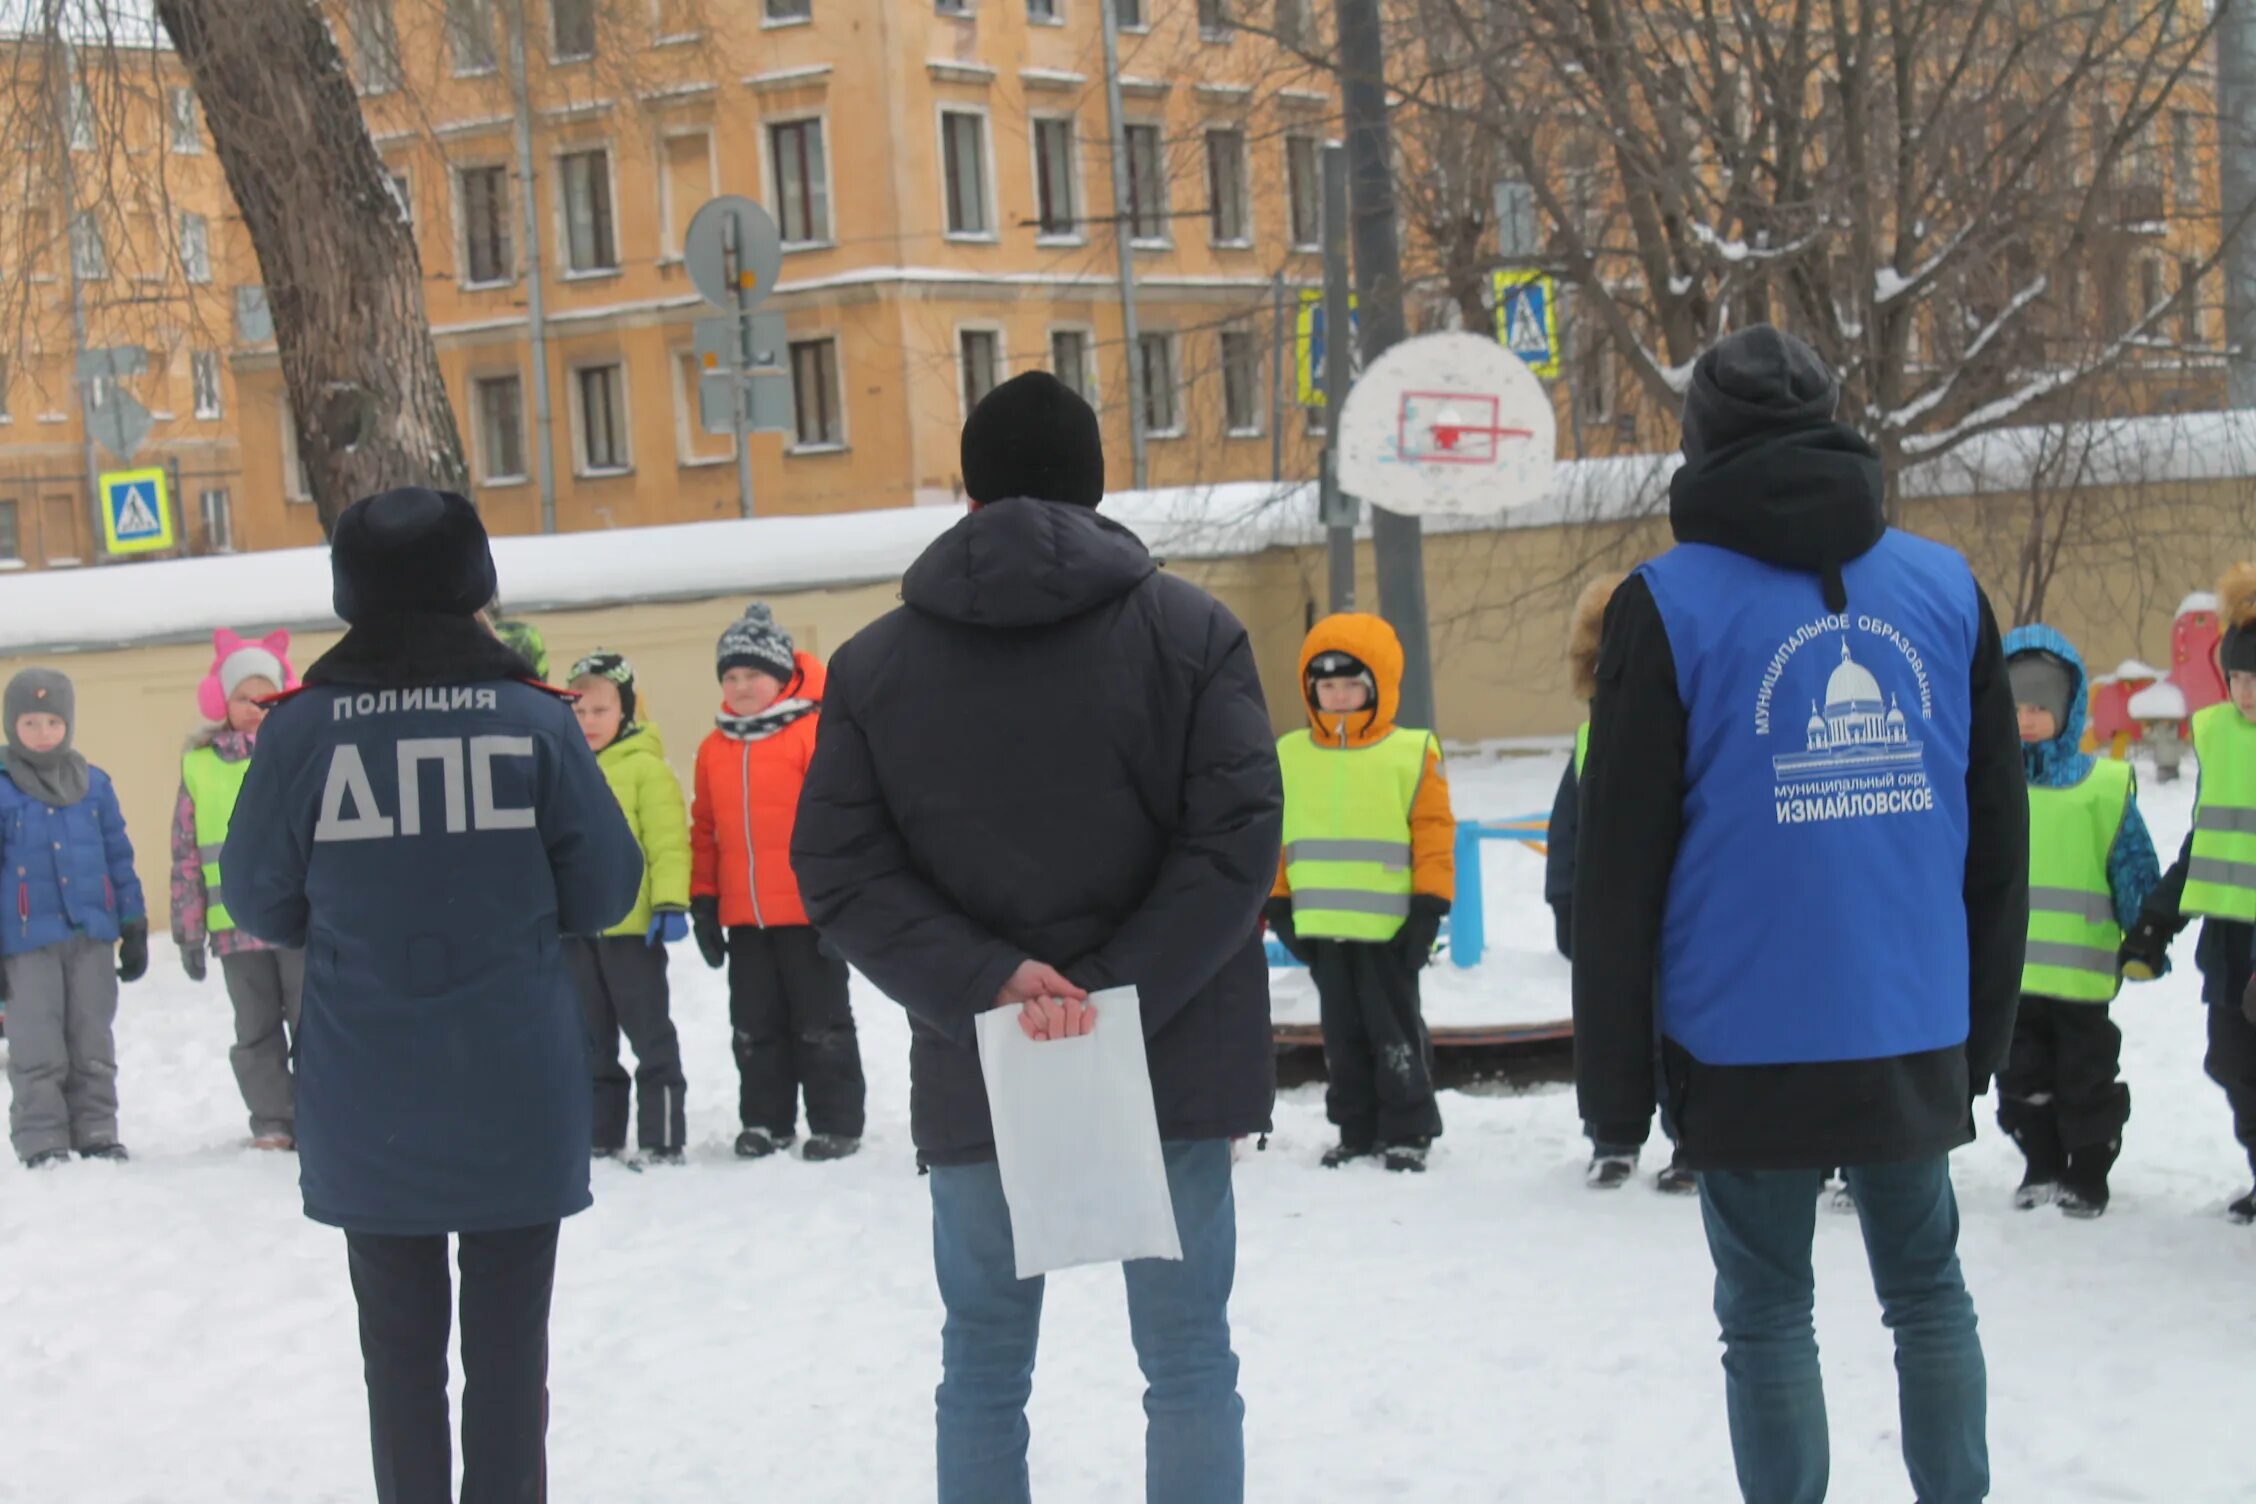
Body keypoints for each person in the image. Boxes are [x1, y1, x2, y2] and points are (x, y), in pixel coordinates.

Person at [791, 370, 1282, 1504]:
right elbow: (1235, 841)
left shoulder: (873, 663)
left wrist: (997, 980)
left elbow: (842, 865)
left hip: (982, 1057)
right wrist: (1110, 994)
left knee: (983, 1370)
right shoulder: (1193, 632)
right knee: (1189, 1362)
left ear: (967, 493)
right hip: (1167, 1050)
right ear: (1096, 488)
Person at [1573, 326, 2026, 1504]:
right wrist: (1984, 1029)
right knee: (1928, 1290)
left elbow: (1619, 865)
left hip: (1743, 1026)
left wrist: (1616, 1090)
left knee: (1768, 1312)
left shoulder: (1667, 606)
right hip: (1907, 1009)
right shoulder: (1941, 589)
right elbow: (1996, 841)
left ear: (1699, 441)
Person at [221, 487, 641, 1504]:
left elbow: (260, 902)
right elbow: (606, 887)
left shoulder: (303, 731)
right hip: (513, 1081)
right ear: (473, 586)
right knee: (509, 1361)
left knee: (398, 1363)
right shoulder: (533, 720)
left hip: (372, 1090)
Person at [1263, 613, 1452, 1173]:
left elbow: (1435, 833)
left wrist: (1429, 907)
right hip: (1320, 928)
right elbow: (1274, 831)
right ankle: (1356, 1126)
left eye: (1351, 684)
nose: (1339, 697)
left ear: (1378, 687)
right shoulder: (1290, 754)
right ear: (1309, 689)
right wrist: (1278, 902)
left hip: (1390, 929)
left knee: (1393, 1033)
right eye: (1326, 686)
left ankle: (1408, 1128)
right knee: (1342, 1038)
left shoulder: (1412, 751)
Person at [690, 602, 866, 1162]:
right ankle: (765, 1121)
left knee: (821, 1023)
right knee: (754, 1025)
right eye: (731, 676)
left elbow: (841, 819)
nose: (741, 686)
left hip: (809, 915)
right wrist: (704, 899)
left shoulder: (812, 733)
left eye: (753, 674)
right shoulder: (714, 748)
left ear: (783, 674)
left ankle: (836, 1122)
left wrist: (841, 903)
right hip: (745, 918)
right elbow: (705, 829)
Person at [1997, 625, 2159, 1218]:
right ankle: (2040, 1160)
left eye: (2041, 707)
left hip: (2083, 977)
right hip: (2011, 977)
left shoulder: (2101, 787)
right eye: (2015, 706)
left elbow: (2133, 865)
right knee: (2019, 1079)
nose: (2028, 719)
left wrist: (2148, 934)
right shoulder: (1988, 784)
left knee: (2086, 1079)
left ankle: (2088, 1169)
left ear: (2069, 709)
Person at [1550, 572, 1696, 1195]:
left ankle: (1692, 1137)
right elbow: (1569, 830)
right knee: (1613, 1027)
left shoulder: (1694, 735)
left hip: (1684, 912)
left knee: (1684, 1031)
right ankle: (1613, 1136)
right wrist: (1565, 899)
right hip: (1611, 916)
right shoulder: (1591, 740)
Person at [2121, 561, 2256, 1223]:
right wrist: (2157, 921)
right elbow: (2207, 844)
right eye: (2239, 679)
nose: (2248, 693)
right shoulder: (2221, 740)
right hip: (2230, 942)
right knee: (2234, 1067)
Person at [2, 668, 148, 1168]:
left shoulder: (94, 785)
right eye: (30, 723)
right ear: (10, 726)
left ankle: (97, 1130)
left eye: (52, 722)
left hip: (91, 934)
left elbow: (118, 856)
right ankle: (42, 1138)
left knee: (92, 1039)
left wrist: (133, 924)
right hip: (25, 941)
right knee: (36, 1043)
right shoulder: (2, 789)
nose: (43, 733)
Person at [173, 628, 305, 1152]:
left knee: (313, 1024)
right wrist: (187, 929)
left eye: (265, 698)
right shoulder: (199, 767)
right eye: (243, 698)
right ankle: (273, 1117)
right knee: (256, 1029)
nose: (254, 707)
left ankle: (320, 1112)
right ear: (222, 703)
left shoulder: (300, 754)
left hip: (299, 923)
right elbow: (185, 853)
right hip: (235, 928)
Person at [567, 650, 691, 1164]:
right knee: (590, 1039)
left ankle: (663, 1136)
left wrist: (669, 901)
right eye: (579, 711)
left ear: (626, 710)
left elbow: (666, 842)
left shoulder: (645, 768)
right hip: (577, 930)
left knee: (650, 1036)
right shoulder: (562, 766)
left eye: (601, 710)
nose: (589, 722)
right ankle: (601, 1134)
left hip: (633, 931)